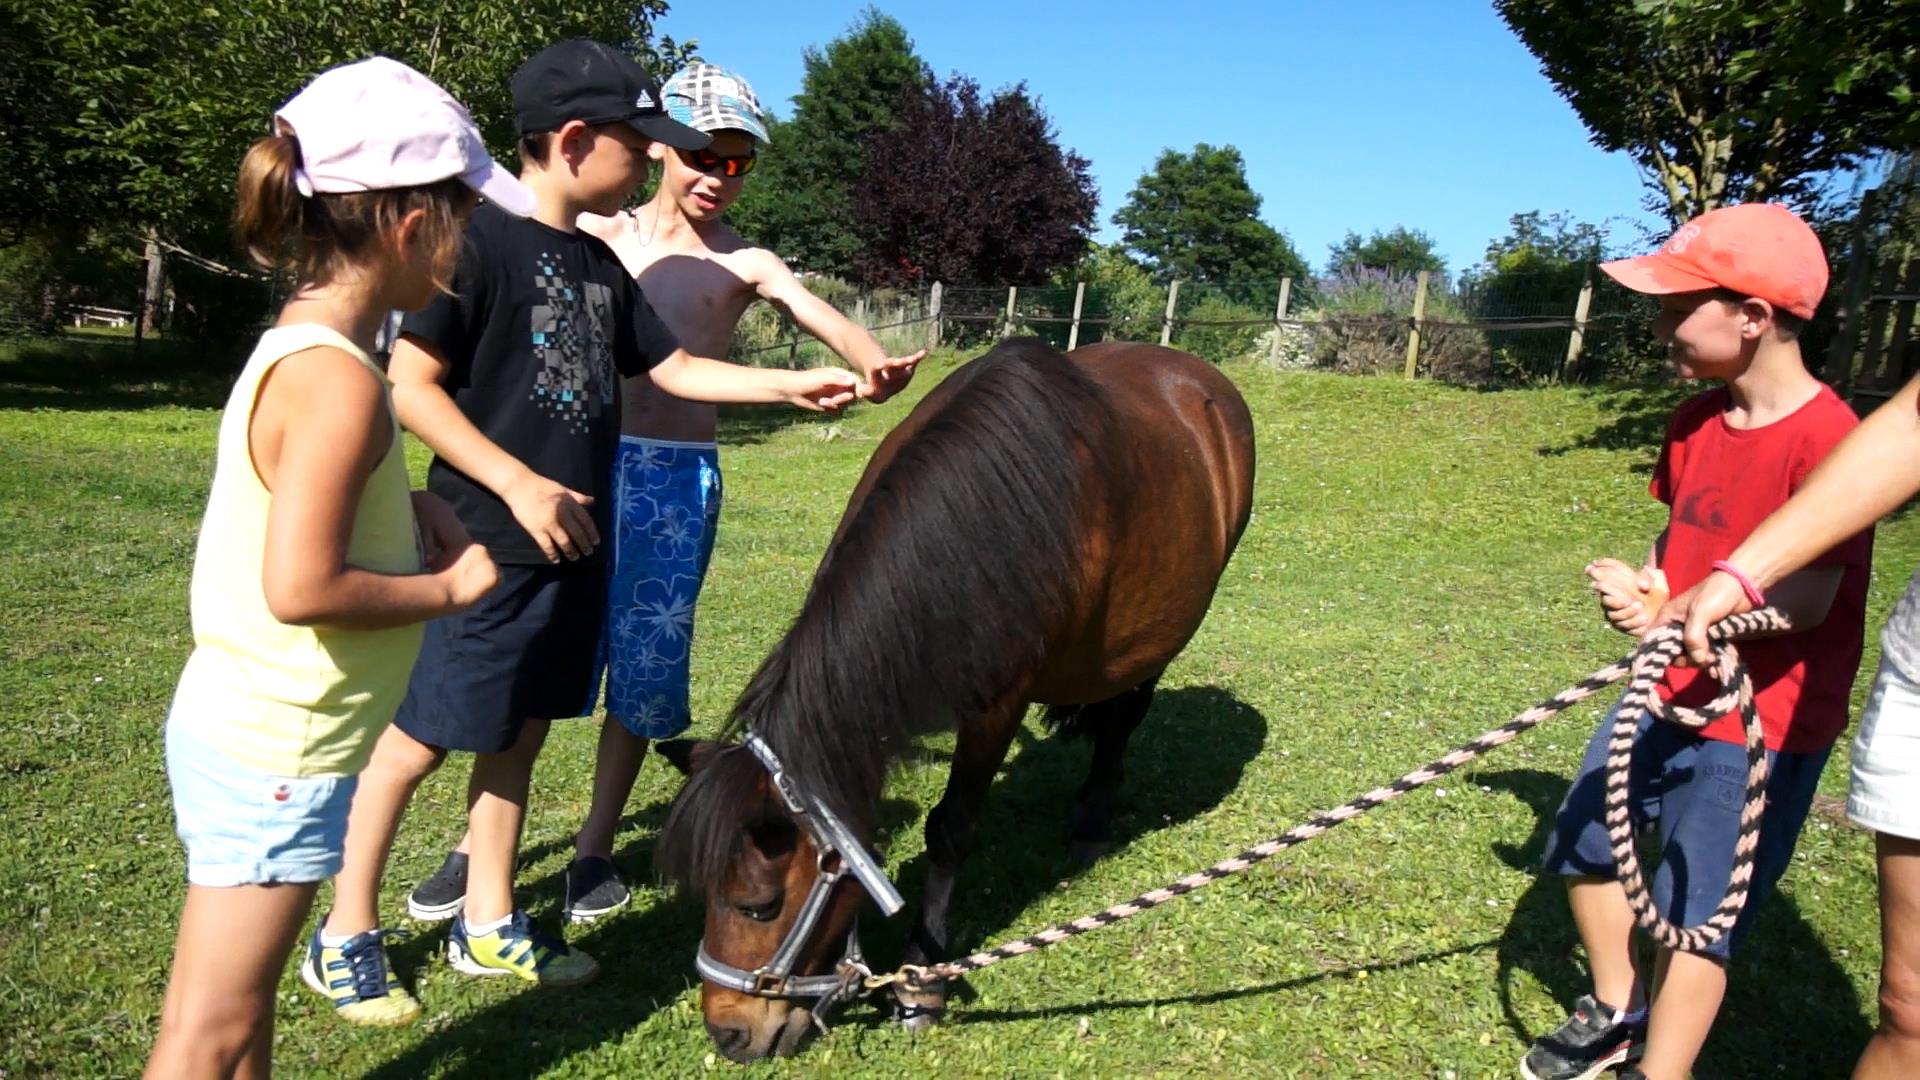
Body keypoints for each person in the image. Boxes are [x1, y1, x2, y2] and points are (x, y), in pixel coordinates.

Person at [308, 39, 861, 1017]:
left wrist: (790, 382)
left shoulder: (598, 260)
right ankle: (343, 929)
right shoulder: (474, 245)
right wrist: (517, 485)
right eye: (633, 140)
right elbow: (410, 384)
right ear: (573, 141)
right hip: (486, 547)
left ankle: (488, 924)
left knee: (517, 739)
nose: (647, 157)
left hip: (575, 544)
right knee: (421, 740)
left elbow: (674, 372)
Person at [403, 62, 924, 922]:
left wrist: (869, 362)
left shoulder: (744, 260)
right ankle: (476, 847)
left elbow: (814, 312)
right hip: (572, 469)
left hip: (675, 482)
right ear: (662, 148)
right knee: (529, 651)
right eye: (704, 156)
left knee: (645, 666)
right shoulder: (585, 233)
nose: (719, 177)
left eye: (740, 164)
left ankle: (594, 847)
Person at [144, 57, 520, 1073]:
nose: (466, 246)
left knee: (238, 1010)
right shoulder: (341, 383)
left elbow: (302, 494)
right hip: (281, 751)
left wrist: (404, 506)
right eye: (463, 219)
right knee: (206, 1030)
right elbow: (300, 587)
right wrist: (448, 588)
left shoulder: (310, 346)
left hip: (259, 731)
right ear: (411, 227)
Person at [1520, 203, 1873, 1080]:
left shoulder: (1835, 444)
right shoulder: (1692, 424)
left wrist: (1683, 619)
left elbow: (1813, 596)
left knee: (1698, 911)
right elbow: (1678, 541)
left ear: (1753, 317)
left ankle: (1661, 1070)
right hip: (1663, 691)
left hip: (1762, 720)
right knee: (1584, 844)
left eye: (1679, 308)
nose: (1659, 325)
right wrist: (1650, 592)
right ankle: (1616, 1008)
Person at [1663, 377, 1920, 1079]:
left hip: (1772, 720)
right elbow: (1911, 426)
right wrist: (1742, 575)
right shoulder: (1697, 419)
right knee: (1912, 1007)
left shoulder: (1816, 425)